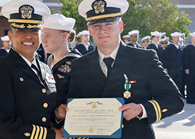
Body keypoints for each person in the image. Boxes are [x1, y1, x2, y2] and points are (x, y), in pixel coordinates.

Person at [65, 0, 184, 139]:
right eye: (96, 25)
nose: (102, 30)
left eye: (109, 24)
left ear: (120, 26)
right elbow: (74, 104)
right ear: (90, 30)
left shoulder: (144, 59)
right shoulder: (79, 64)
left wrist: (142, 109)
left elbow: (175, 100)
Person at [0, 0, 66, 139]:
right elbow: (2, 123)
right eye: (21, 30)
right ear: (10, 36)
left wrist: (57, 114)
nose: (28, 36)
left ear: (40, 35)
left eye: (34, 30)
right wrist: (50, 135)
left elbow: (42, 111)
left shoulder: (45, 68)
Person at [41, 13, 82, 105]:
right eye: (42, 36)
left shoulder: (78, 64)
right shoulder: (45, 63)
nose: (43, 40)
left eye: (47, 35)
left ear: (64, 36)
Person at [183, 32, 195, 104]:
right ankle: (190, 99)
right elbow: (186, 59)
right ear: (192, 38)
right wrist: (186, 68)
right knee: (190, 83)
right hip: (190, 68)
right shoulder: (188, 47)